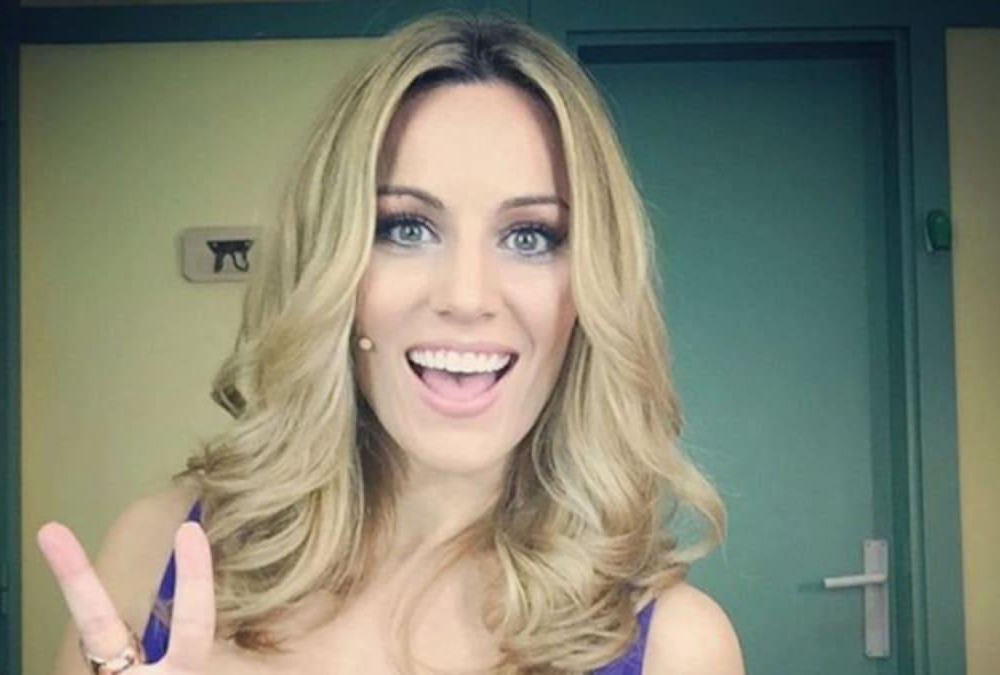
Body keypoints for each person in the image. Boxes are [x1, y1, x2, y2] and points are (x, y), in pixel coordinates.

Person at [38, 12, 745, 675]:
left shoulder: (677, 649)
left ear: (591, 290)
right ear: (332, 268)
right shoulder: (158, 552)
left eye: (530, 236)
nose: (466, 296)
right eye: (407, 228)